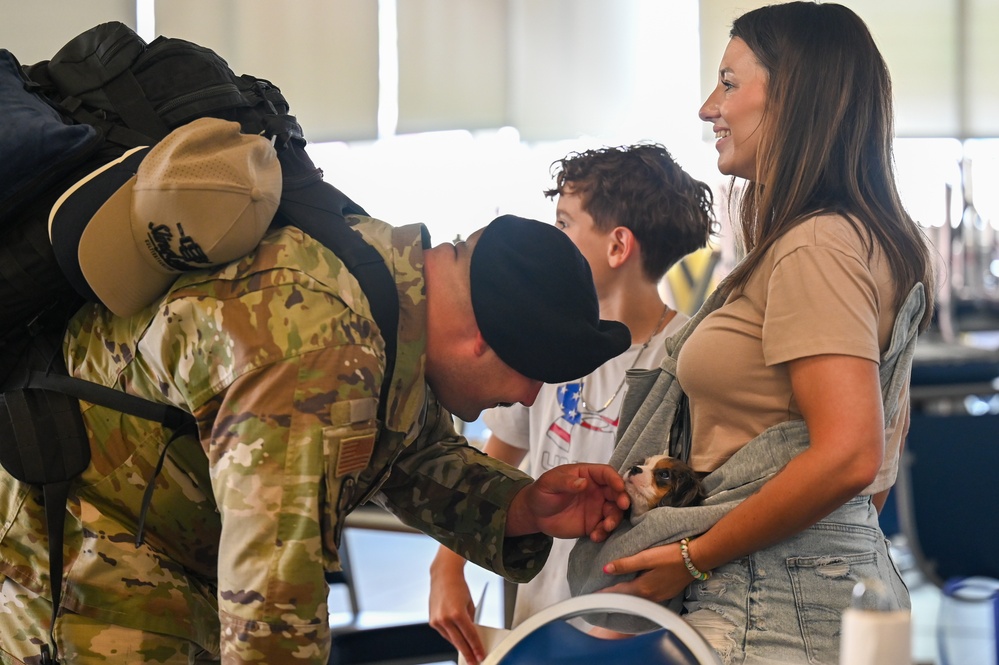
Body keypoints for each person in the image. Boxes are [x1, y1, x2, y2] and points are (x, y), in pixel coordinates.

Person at [0, 119, 634, 664]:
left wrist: (522, 508)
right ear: (481, 340)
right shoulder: (324, 348)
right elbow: (272, 608)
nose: (527, 399)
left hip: (157, 552)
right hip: (85, 562)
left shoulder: (387, 282)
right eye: (530, 375)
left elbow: (404, 451)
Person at [592, 3, 935, 664]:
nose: (705, 107)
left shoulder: (817, 246)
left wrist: (695, 555)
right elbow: (871, 468)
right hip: (804, 591)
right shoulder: (849, 239)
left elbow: (849, 455)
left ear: (795, 98)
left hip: (773, 603)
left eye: (727, 82)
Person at [428, 143, 716, 664]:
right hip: (542, 619)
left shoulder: (691, 358)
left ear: (618, 246)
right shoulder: (540, 342)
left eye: (564, 224)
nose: (552, 238)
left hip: (641, 629)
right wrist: (447, 566)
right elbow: (501, 451)